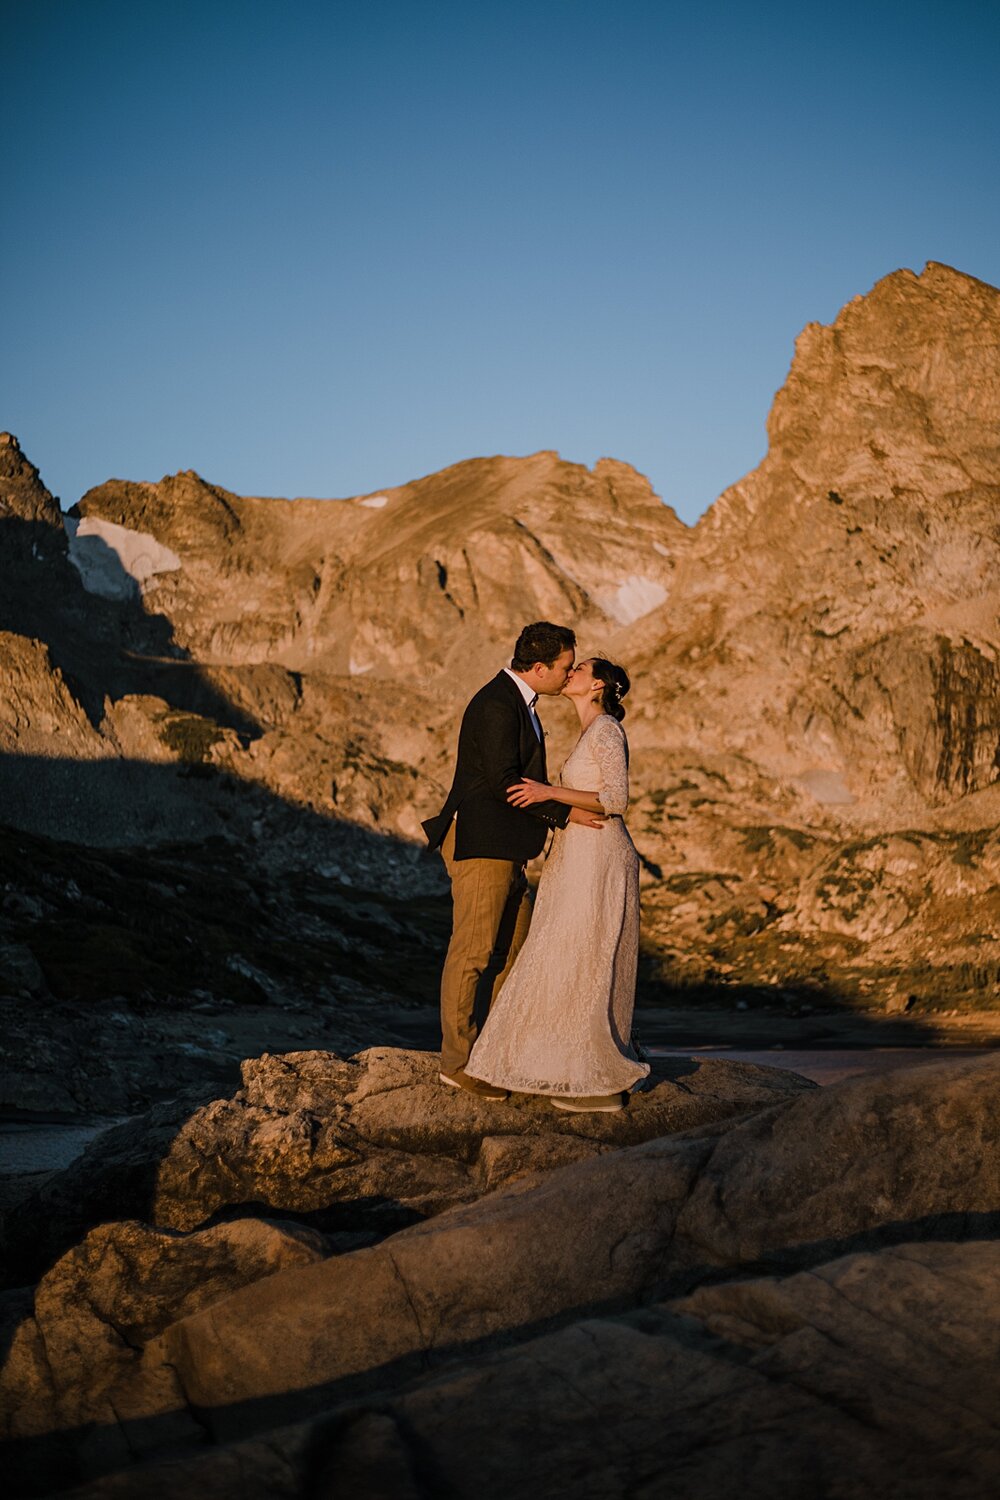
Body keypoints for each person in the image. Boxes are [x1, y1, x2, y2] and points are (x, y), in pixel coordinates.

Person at [421, 622, 605, 1099]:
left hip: (508, 846)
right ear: (539, 668)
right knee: (473, 953)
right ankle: (457, 1063)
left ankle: (496, 1053)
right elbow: (505, 781)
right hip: (483, 843)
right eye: (565, 668)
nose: (569, 676)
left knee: (514, 953)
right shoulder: (498, 704)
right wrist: (563, 812)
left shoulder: (518, 702)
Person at [464, 656, 649, 1112]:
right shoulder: (590, 732)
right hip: (578, 855)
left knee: (585, 952)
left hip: (600, 856)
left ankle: (596, 1081)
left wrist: (548, 792)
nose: (571, 672)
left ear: (597, 685)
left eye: (580, 668)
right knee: (568, 952)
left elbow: (616, 799)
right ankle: (563, 1064)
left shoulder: (607, 729)